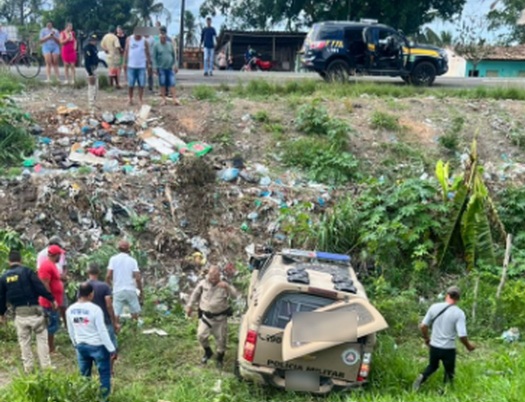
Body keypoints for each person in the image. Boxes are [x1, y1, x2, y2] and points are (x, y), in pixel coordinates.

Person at [0, 249, 57, 373]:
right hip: (35, 312)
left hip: (19, 314)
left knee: (24, 342)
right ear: (21, 260)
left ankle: (28, 368)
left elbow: (2, 297)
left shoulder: (4, 277)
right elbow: (40, 287)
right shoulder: (27, 272)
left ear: (8, 261)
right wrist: (52, 299)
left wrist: (1, 313)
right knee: (41, 340)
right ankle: (46, 367)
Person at [413, 286, 476, 392]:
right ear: (458, 298)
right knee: (449, 372)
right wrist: (469, 346)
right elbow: (462, 336)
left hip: (434, 346)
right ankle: (443, 392)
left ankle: (422, 377)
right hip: (448, 349)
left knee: (433, 366)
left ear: (447, 295)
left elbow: (423, 326)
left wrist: (427, 339)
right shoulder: (459, 313)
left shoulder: (434, 307)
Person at [67, 282, 116, 400]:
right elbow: (102, 331)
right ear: (91, 294)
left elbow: (70, 330)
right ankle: (104, 398)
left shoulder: (70, 310)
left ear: (79, 293)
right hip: (98, 346)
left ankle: (85, 397)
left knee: (84, 375)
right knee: (104, 374)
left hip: (81, 346)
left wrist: (76, 344)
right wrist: (112, 349)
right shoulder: (95, 309)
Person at [186, 265, 239, 369]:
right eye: (211, 275)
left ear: (219, 275)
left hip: (220, 319)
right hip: (206, 317)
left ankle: (219, 359)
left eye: (215, 276)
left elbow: (235, 295)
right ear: (208, 274)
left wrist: (227, 287)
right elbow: (195, 294)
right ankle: (208, 352)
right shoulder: (203, 283)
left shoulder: (224, 284)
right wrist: (189, 306)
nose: (213, 278)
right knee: (201, 335)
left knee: (221, 340)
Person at [86, 263, 119, 374]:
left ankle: (94, 368)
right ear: (99, 273)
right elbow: (109, 304)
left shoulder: (84, 286)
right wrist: (114, 321)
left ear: (88, 272)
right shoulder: (104, 286)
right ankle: (109, 370)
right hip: (105, 321)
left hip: (89, 322)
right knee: (111, 345)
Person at [105, 240, 143, 323]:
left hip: (118, 289)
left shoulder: (113, 259)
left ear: (118, 248)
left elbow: (108, 276)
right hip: (130, 289)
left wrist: (108, 289)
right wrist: (141, 291)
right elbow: (138, 278)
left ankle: (116, 331)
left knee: (116, 314)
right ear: (129, 249)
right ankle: (135, 332)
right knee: (134, 313)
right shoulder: (133, 261)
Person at [37, 244, 65, 354]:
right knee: (50, 325)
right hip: (48, 303)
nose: (61, 257)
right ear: (56, 255)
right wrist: (52, 299)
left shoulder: (52, 265)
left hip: (54, 301)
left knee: (52, 325)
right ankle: (50, 349)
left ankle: (50, 347)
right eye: (60, 255)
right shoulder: (46, 266)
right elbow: (45, 284)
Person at [37, 236, 68, 329]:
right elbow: (44, 279)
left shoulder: (57, 258)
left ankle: (64, 325)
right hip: (51, 289)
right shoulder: (43, 256)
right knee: (51, 313)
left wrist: (63, 276)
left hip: (58, 283)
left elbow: (65, 266)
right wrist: (51, 298)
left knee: (63, 305)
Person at [153, 26, 180, 106]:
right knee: (162, 83)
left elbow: (174, 55)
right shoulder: (156, 45)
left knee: (172, 83)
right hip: (161, 67)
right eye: (162, 37)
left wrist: (175, 65)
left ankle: (174, 99)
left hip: (170, 67)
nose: (163, 39)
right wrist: (155, 67)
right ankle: (163, 99)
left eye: (164, 37)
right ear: (160, 37)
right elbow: (154, 57)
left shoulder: (170, 45)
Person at [123, 30, 151, 106]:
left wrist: (149, 64)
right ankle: (130, 98)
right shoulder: (129, 39)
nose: (138, 36)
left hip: (141, 66)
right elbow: (126, 51)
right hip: (131, 65)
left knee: (141, 84)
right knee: (130, 84)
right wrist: (124, 62)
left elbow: (148, 53)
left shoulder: (144, 41)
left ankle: (140, 99)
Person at [84, 33, 100, 111]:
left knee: (96, 87)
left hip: (94, 67)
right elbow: (87, 60)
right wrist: (90, 72)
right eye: (92, 40)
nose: (94, 41)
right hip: (90, 68)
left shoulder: (94, 48)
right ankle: (91, 104)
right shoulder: (87, 48)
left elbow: (96, 58)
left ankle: (94, 102)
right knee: (91, 86)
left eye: (95, 40)